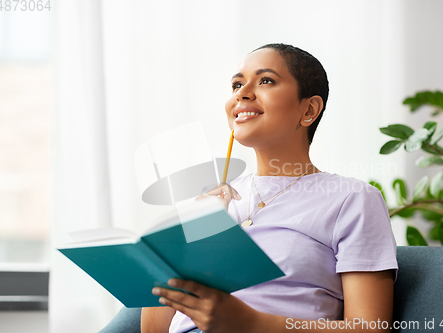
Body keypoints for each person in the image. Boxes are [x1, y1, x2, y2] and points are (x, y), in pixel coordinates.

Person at [141, 43, 398, 333]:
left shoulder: (352, 198)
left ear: (309, 109)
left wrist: (251, 324)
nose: (242, 93)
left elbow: (371, 329)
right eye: (237, 84)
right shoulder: (210, 202)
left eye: (266, 80)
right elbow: (154, 329)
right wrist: (189, 240)